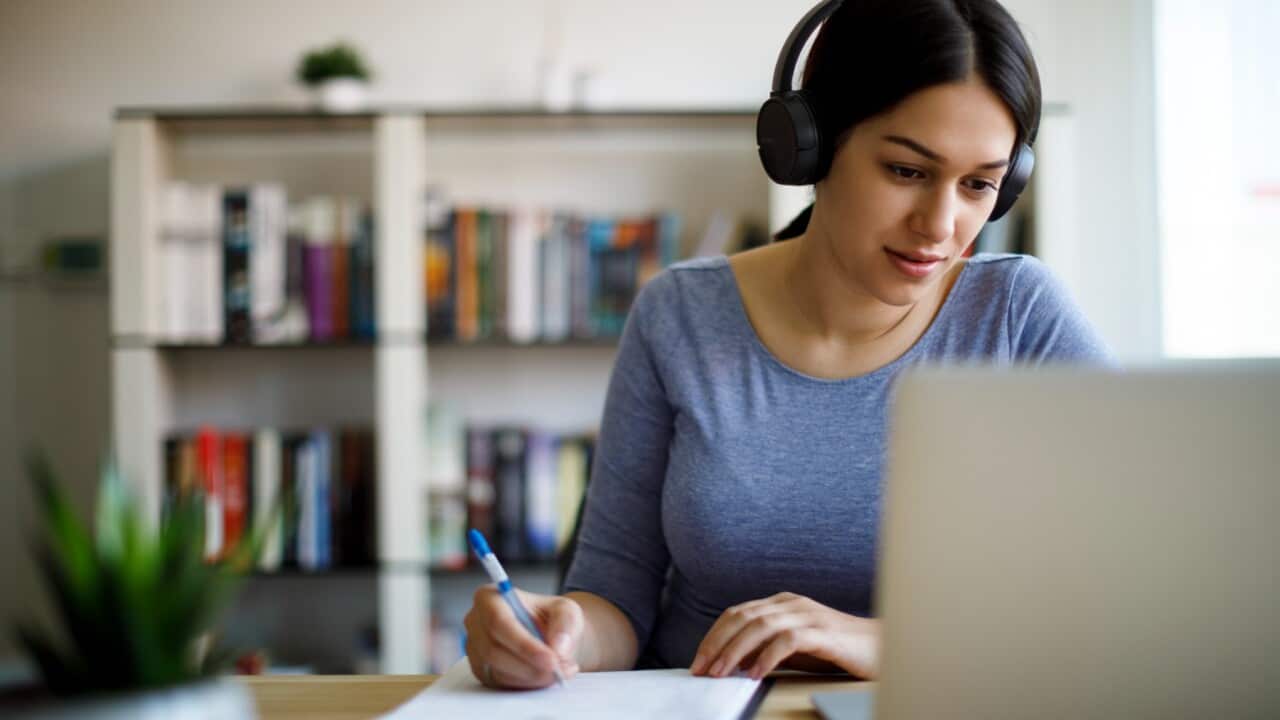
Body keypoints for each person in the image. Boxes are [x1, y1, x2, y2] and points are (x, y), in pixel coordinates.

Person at [463, 0, 1113, 690]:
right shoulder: (678, 314)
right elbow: (612, 597)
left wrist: (883, 642)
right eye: (906, 171)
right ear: (811, 145)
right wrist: (556, 630)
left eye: (980, 184)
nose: (941, 225)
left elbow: (1126, 593)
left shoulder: (1018, 316)